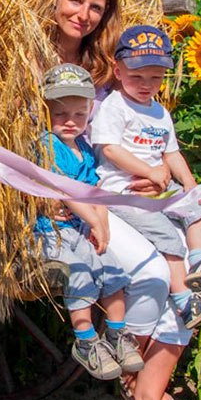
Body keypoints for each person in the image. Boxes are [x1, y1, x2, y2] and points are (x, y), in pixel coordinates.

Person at [43, 0, 194, 400]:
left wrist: (145, 173)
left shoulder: (107, 68)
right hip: (71, 197)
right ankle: (140, 394)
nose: (83, 13)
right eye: (75, 0)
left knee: (191, 276)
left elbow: (118, 135)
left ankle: (145, 389)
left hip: (113, 192)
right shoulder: (21, 52)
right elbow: (29, 145)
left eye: (96, 7)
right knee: (155, 273)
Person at [88, 25, 201, 330]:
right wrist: (149, 172)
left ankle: (200, 262)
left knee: (200, 207)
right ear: (118, 72)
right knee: (167, 236)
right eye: (137, 77)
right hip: (123, 189)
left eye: (155, 78)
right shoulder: (115, 107)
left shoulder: (160, 113)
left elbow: (171, 153)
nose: (146, 85)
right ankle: (185, 300)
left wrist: (190, 185)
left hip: (160, 185)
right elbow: (110, 149)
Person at [35, 63, 144, 381]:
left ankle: (117, 333)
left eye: (79, 115)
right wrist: (94, 221)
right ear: (45, 113)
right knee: (78, 269)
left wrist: (101, 222)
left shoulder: (83, 147)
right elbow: (65, 191)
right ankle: (84, 341)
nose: (70, 122)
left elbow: (95, 191)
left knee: (112, 267)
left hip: (80, 227)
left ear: (88, 113)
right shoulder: (47, 145)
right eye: (59, 114)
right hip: (52, 231)